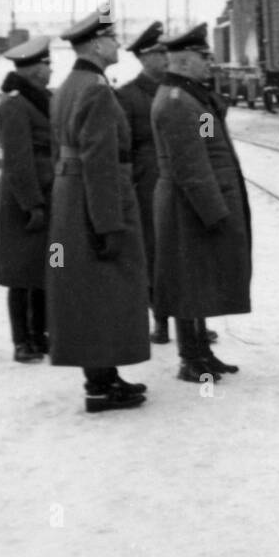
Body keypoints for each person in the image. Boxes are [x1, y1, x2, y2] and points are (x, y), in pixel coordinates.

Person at [47, 10, 150, 413]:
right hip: (96, 200)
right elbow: (101, 161)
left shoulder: (67, 86)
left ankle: (103, 377)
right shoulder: (96, 90)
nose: (119, 45)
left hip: (70, 198)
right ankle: (101, 386)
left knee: (89, 291)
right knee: (105, 289)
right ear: (95, 45)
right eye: (112, 40)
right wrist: (108, 223)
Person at [151, 23, 251, 382]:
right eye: (203, 57)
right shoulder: (177, 103)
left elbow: (209, 143)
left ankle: (202, 353)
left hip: (194, 203)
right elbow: (191, 167)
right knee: (187, 282)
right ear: (183, 60)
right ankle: (189, 359)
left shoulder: (193, 97)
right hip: (187, 206)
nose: (210, 62)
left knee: (199, 279)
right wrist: (215, 212)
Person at [0, 36, 53, 364]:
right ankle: (22, 341)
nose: (50, 69)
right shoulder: (15, 103)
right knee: (20, 273)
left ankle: (41, 334)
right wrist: (32, 203)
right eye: (45, 64)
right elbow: (18, 160)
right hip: (22, 199)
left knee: (43, 269)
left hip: (45, 195)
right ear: (31, 68)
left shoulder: (39, 98)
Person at [115, 20, 171, 344]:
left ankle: (193, 320)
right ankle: (160, 318)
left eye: (167, 52)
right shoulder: (126, 96)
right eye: (159, 53)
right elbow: (123, 147)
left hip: (179, 178)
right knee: (154, 251)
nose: (166, 59)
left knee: (185, 250)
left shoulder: (179, 90)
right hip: (148, 183)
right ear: (143, 58)